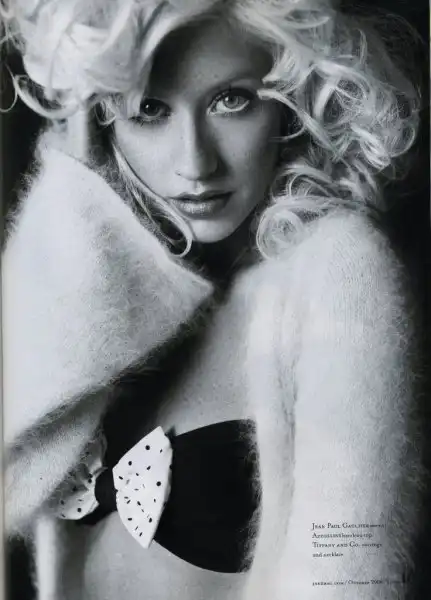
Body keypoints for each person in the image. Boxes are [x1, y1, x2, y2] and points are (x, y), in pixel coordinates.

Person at [1, 0, 425, 598]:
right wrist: (76, 191)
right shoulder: (110, 281)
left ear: (291, 99)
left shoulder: (339, 274)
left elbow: (348, 574)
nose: (195, 162)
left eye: (231, 100)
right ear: (104, 120)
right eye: (150, 109)